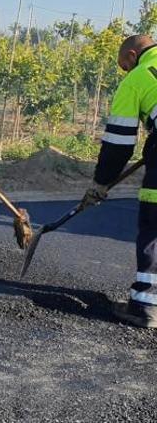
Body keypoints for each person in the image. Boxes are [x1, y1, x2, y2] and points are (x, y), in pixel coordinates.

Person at [81, 34, 157, 327]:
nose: (124, 71)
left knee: (153, 227)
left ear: (132, 54)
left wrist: (101, 182)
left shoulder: (138, 78)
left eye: (123, 64)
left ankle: (147, 306)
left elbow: (119, 143)